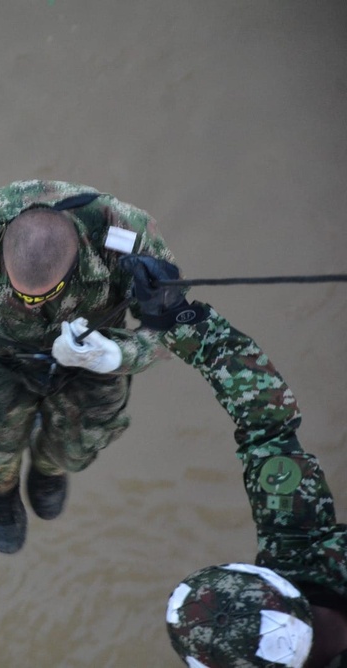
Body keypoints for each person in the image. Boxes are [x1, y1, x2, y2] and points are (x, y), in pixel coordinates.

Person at [0, 180, 182, 553]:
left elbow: (176, 328)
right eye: (19, 293)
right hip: (0, 354)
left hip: (93, 354)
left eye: (40, 295)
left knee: (80, 441)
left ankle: (49, 468)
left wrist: (121, 354)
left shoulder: (125, 240)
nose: (29, 304)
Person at [121, 254, 347, 668]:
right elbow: (267, 422)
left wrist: (176, 319)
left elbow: (266, 424)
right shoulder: (299, 549)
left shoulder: (296, 546)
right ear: (270, 585)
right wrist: (179, 318)